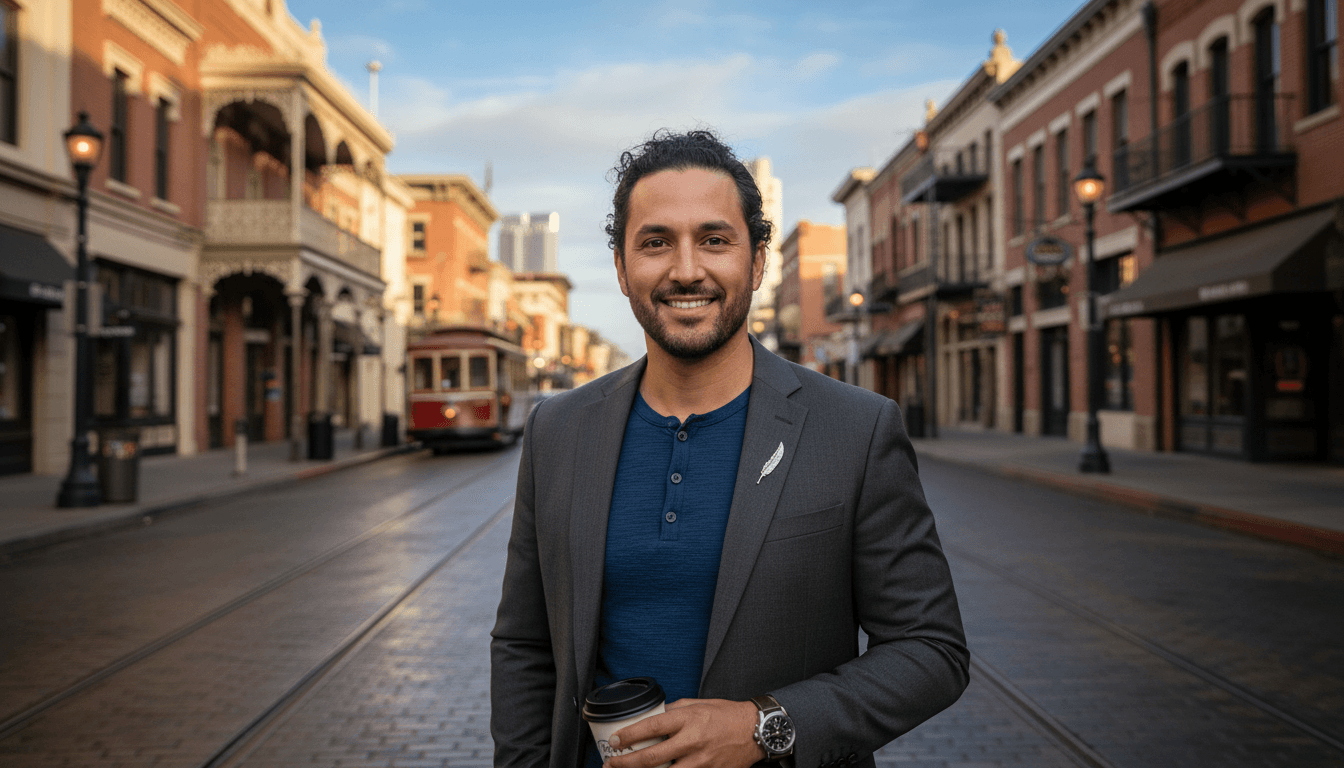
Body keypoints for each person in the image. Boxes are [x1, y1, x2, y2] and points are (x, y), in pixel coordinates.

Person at [491, 129, 968, 768]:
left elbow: (931, 649)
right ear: (621, 266)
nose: (687, 269)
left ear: (759, 259)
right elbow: (525, 645)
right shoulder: (559, 430)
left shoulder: (855, 429)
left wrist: (764, 726)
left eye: (715, 240)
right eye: (655, 242)